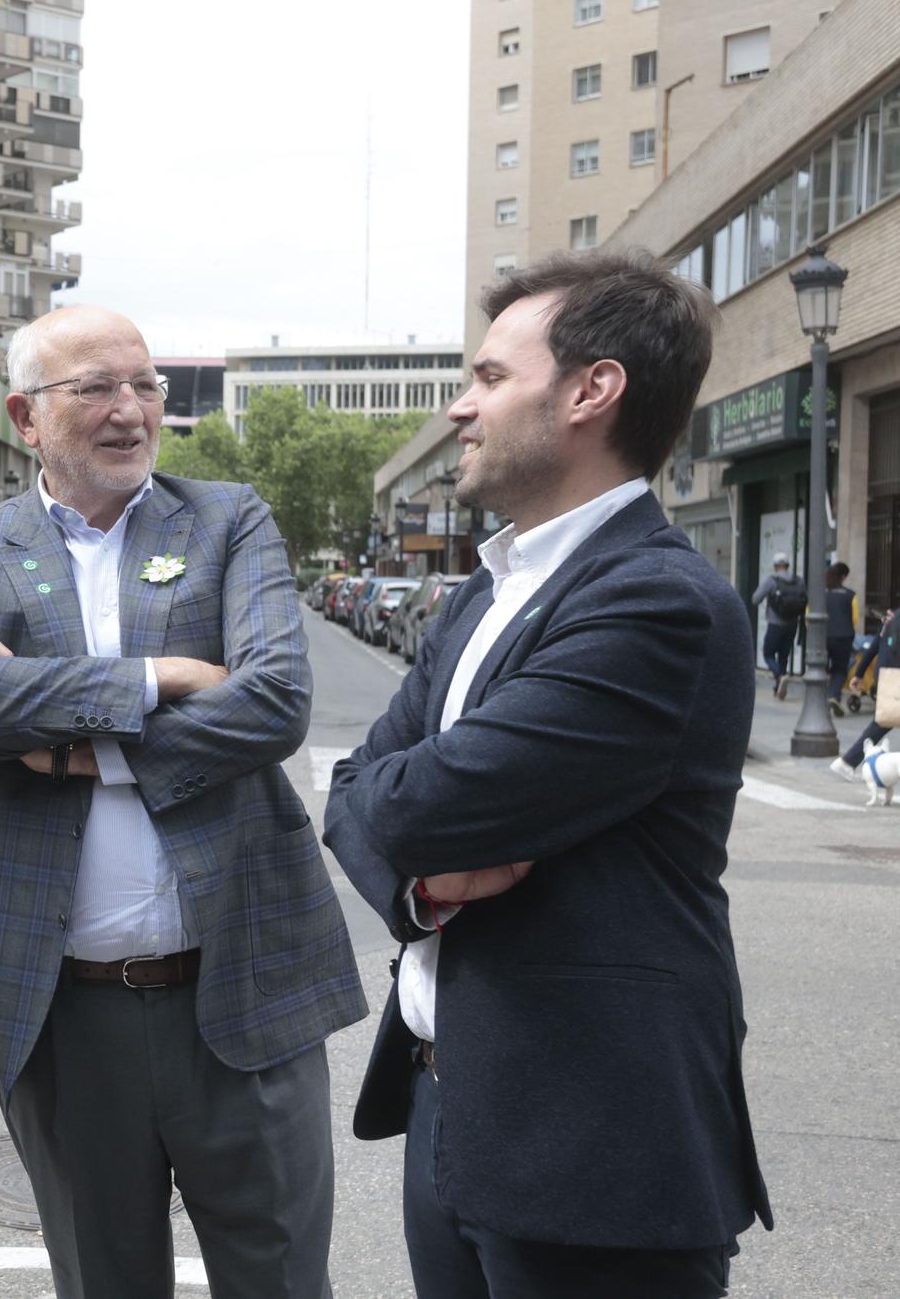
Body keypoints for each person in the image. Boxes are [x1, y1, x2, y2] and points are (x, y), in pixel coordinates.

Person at [326, 249, 771, 1298]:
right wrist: (420, 882)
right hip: (452, 1101)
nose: (456, 408)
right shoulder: (484, 590)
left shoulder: (656, 602)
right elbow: (355, 790)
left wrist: (400, 826)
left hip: (592, 1141)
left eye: (487, 377)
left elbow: (421, 797)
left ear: (589, 390)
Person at [0, 305, 366, 1299]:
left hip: (237, 990)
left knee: (281, 1280)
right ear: (25, 416)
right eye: (96, 388)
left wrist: (71, 753)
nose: (130, 410)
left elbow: (276, 702)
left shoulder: (226, 517)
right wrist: (165, 673)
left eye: (144, 385)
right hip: (64, 1011)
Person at [831, 604, 897, 782]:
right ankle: (847, 762)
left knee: (883, 722)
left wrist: (860, 673)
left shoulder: (893, 618)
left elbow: (876, 644)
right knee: (883, 722)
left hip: (888, 676)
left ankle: (847, 762)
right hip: (894, 676)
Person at [752, 553, 803, 698]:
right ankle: (778, 688)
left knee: (768, 653)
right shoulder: (798, 581)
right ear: (788, 565)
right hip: (793, 624)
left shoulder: (771, 581)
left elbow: (755, 599)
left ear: (775, 566)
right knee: (783, 655)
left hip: (775, 624)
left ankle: (780, 676)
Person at [822, 562, 861, 710]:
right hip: (844, 636)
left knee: (820, 668)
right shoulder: (851, 595)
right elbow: (855, 618)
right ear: (843, 577)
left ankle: (820, 699)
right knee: (839, 669)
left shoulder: (822, 594)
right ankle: (833, 696)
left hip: (824, 636)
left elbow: (809, 614)